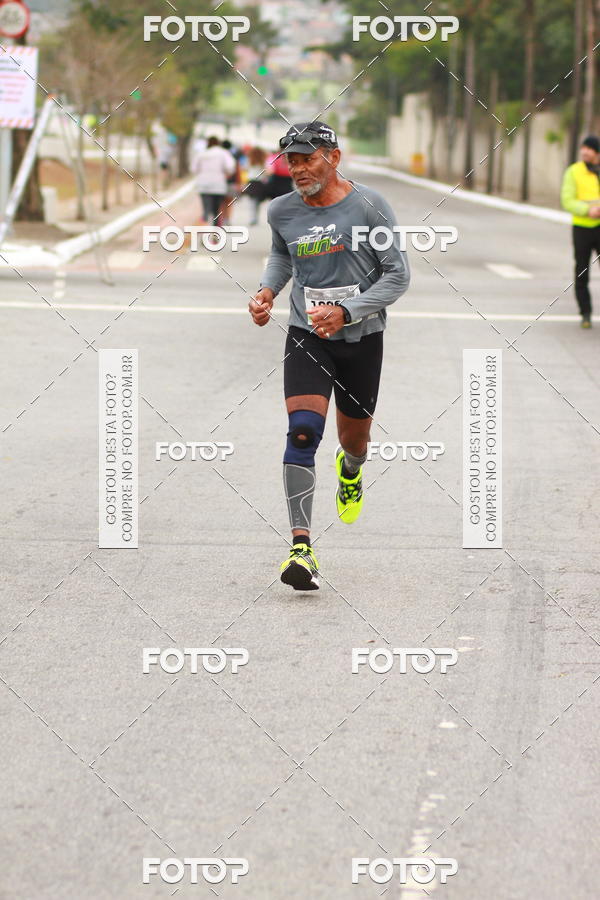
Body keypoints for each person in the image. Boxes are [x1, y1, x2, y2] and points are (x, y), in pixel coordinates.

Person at [248, 121, 410, 591]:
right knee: (303, 432)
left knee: (353, 440)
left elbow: (397, 277)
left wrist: (347, 312)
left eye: (307, 159)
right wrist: (266, 292)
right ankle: (301, 547)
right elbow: (283, 256)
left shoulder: (369, 206)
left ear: (333, 158)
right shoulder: (281, 210)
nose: (297, 169)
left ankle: (352, 470)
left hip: (362, 338)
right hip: (306, 334)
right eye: (291, 161)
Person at [560, 135, 600, 328]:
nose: (584, 151)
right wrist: (588, 210)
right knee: (582, 271)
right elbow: (567, 200)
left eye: (589, 148)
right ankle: (585, 313)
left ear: (597, 152)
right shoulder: (573, 172)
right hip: (582, 228)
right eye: (583, 147)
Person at [193, 136, 236, 228]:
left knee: (206, 209)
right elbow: (230, 167)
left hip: (203, 185)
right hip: (218, 185)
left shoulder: (201, 154)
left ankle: (205, 227)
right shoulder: (223, 153)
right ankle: (215, 230)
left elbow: (193, 169)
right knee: (216, 210)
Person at [246, 146, 268, 225]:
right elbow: (266, 171)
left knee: (252, 201)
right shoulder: (263, 161)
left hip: (251, 181)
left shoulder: (250, 161)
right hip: (259, 182)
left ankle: (252, 218)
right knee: (257, 202)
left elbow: (246, 169)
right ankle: (256, 218)